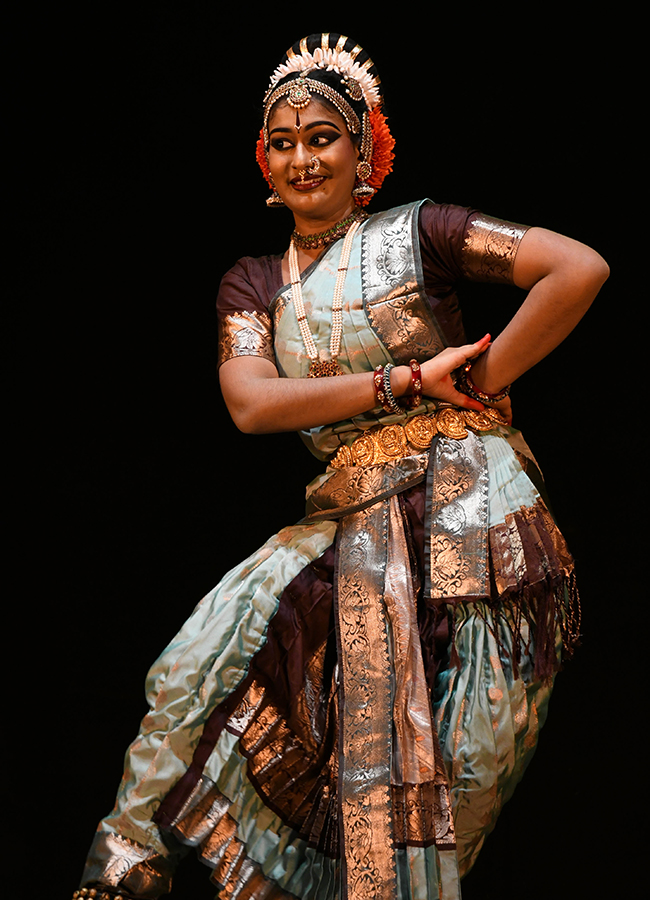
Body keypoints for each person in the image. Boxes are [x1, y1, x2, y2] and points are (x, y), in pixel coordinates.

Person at [76, 33, 609, 900]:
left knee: (467, 753)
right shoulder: (254, 283)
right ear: (264, 159)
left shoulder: (422, 233)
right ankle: (126, 864)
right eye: (281, 143)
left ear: (365, 148)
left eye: (321, 136)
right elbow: (250, 402)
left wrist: (481, 375)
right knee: (200, 658)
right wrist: (403, 381)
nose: (300, 158)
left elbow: (577, 268)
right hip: (348, 515)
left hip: (470, 511)